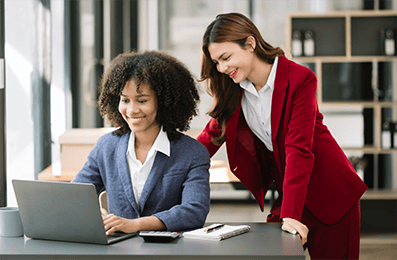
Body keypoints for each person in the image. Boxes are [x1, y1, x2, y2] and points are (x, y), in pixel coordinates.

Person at [197, 12, 367, 259]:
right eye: (217, 63)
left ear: (250, 43)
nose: (222, 68)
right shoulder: (235, 90)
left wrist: (291, 215)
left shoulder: (300, 79)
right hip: (291, 193)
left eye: (226, 58)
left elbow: (298, 149)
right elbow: (207, 140)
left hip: (331, 192)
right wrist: (166, 165)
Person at [73, 50, 210, 235]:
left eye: (142, 100)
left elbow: (194, 211)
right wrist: (93, 212)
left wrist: (136, 225)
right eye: (125, 100)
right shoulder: (106, 147)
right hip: (118, 251)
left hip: (170, 252)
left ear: (163, 102)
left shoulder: (192, 152)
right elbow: (76, 194)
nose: (131, 110)